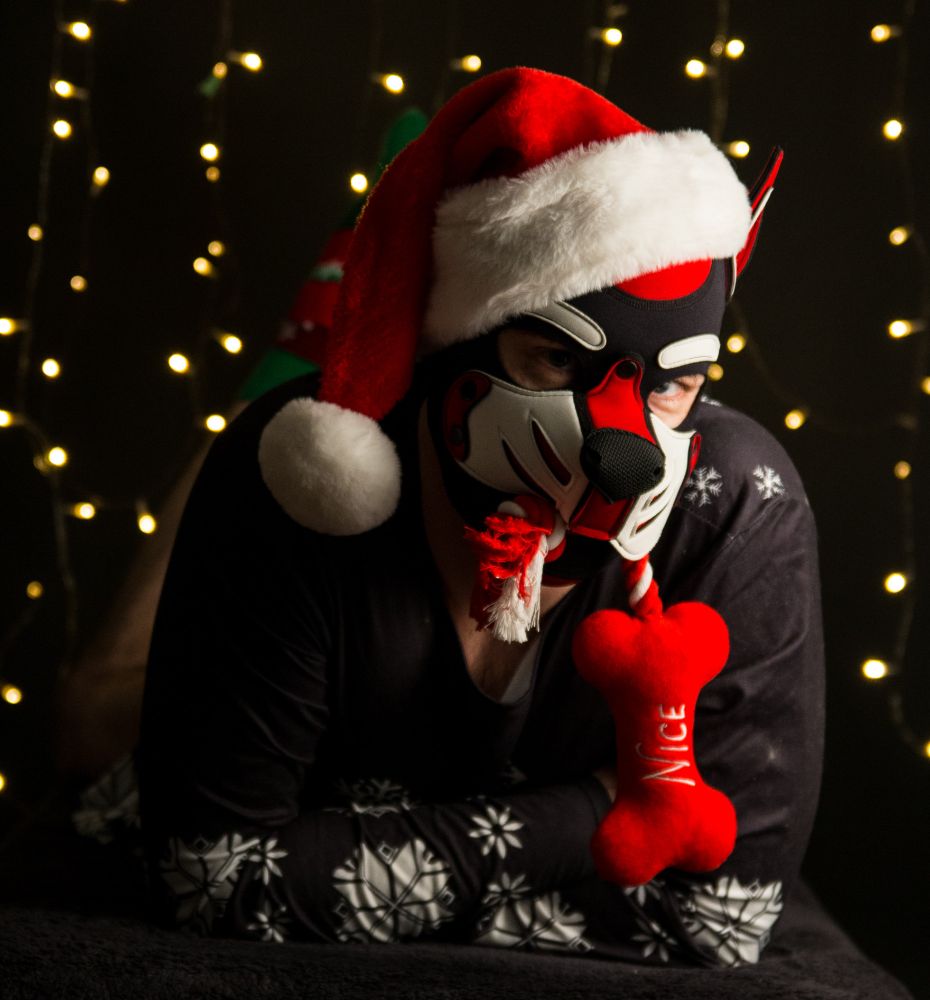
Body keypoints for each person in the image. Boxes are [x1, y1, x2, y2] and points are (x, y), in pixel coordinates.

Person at [137, 68, 823, 967]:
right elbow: (216, 878)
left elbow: (723, 916)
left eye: (676, 383)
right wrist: (605, 806)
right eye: (555, 359)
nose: (624, 447)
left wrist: (352, 869)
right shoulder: (302, 475)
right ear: (458, 343)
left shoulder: (734, 502)